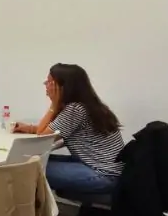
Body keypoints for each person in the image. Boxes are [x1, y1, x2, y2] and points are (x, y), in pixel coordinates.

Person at [12, 63, 125, 195]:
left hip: (104, 175)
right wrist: (29, 128)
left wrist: (54, 105)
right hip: (105, 170)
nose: (45, 85)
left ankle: (29, 207)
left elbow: (43, 137)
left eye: (49, 82)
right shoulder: (86, 105)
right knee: (32, 161)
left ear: (62, 87)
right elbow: (52, 130)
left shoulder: (76, 109)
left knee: (28, 168)